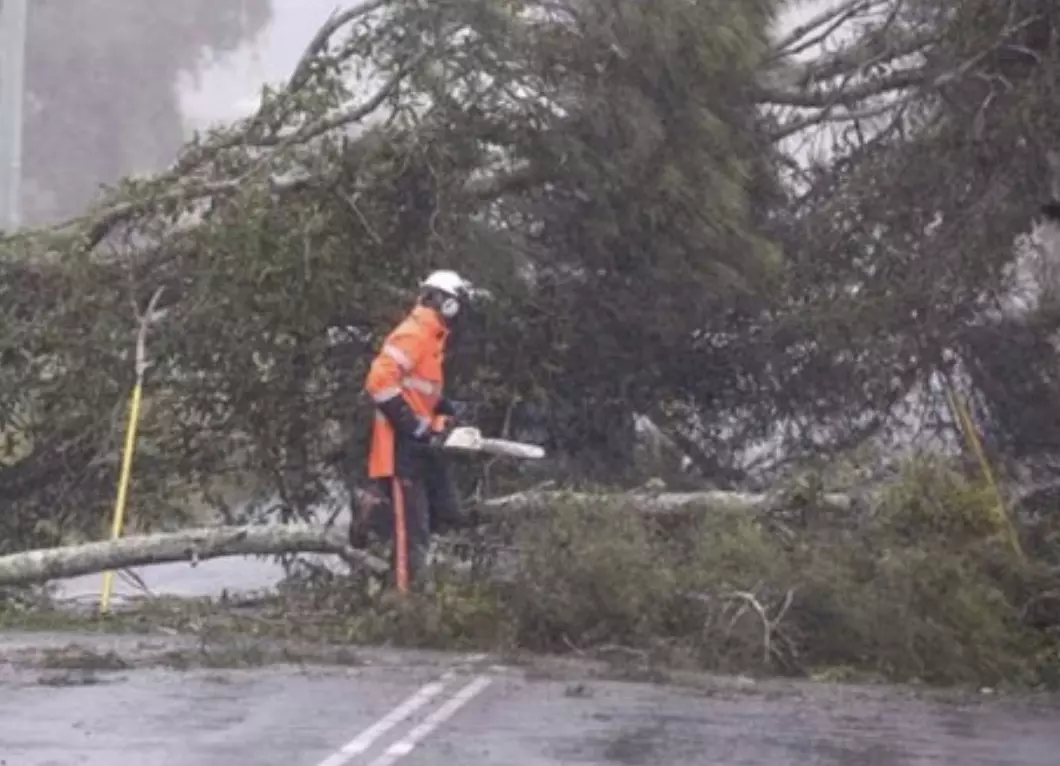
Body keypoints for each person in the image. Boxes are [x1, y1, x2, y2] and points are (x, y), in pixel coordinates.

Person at [358, 269, 473, 590]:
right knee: (413, 533)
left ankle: (375, 520)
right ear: (444, 302)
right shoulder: (414, 333)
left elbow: (419, 391)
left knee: (448, 512)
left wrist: (446, 412)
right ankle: (406, 607)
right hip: (401, 449)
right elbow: (379, 382)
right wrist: (415, 426)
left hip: (423, 448)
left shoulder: (433, 339)